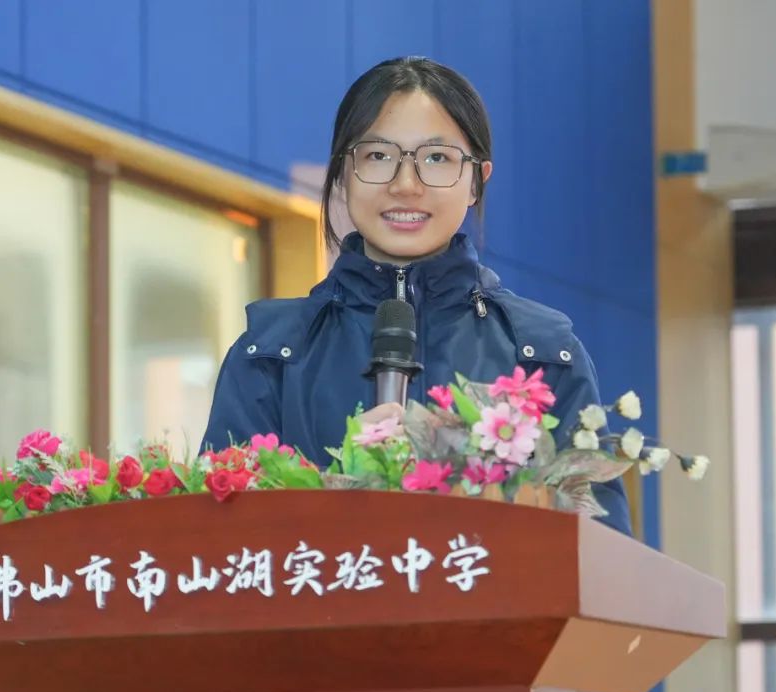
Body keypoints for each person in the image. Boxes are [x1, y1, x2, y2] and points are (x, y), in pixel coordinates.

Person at [200, 56, 632, 536]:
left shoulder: (543, 353)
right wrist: (342, 488)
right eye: (378, 156)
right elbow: (220, 544)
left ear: (477, 180)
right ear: (342, 174)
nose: (406, 185)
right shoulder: (270, 355)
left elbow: (601, 550)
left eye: (437, 158)